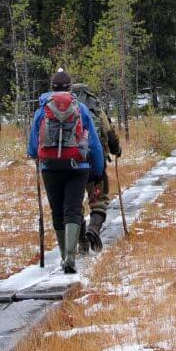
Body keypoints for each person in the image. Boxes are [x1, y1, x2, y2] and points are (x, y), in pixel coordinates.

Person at [27, 69, 105, 274]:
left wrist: (40, 157)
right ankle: (71, 257)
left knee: (58, 211)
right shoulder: (80, 109)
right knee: (73, 209)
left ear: (52, 88)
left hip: (50, 168)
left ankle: (63, 256)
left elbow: (33, 147)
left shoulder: (42, 110)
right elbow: (95, 145)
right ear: (70, 88)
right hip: (78, 167)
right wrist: (97, 172)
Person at [69, 83, 122, 252]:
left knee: (74, 203)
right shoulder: (95, 107)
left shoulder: (64, 109)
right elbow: (109, 132)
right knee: (98, 199)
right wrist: (116, 150)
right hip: (94, 161)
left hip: (71, 163)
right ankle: (93, 229)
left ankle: (82, 243)